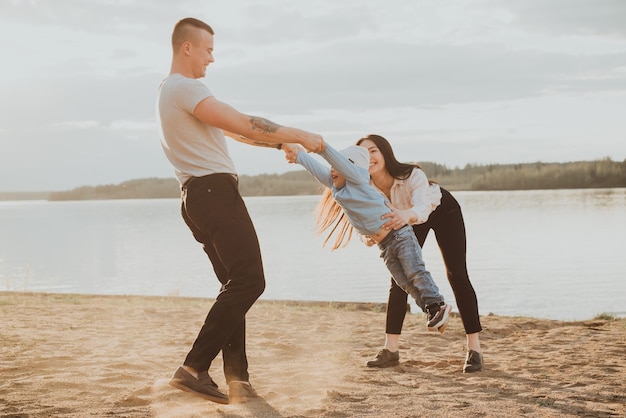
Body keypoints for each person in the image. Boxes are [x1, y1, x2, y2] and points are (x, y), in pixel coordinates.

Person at [156, 17, 325, 404]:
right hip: (214, 194)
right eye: (208, 49)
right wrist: (299, 135)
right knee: (251, 280)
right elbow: (243, 122)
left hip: (196, 198)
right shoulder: (185, 87)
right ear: (187, 47)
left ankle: (238, 380)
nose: (212, 58)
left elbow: (231, 131)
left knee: (235, 285)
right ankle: (192, 368)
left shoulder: (170, 91)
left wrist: (275, 145)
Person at [282, 142, 452, 333]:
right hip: (385, 245)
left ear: (351, 168)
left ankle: (437, 303)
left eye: (338, 165)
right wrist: (298, 156)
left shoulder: (358, 178)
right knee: (403, 282)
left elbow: (339, 163)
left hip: (400, 236)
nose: (332, 170)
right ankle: (432, 310)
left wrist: (321, 147)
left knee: (415, 272)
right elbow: (318, 170)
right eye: (332, 167)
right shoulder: (336, 185)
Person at [356, 134, 483, 373]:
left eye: (373, 151)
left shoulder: (412, 174)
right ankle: (391, 350)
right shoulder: (364, 187)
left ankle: (474, 350)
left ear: (385, 153)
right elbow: (363, 220)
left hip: (440, 210)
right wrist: (368, 237)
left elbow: (423, 209)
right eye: (363, 154)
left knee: (457, 275)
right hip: (403, 221)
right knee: (398, 281)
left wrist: (405, 215)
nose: (370, 157)